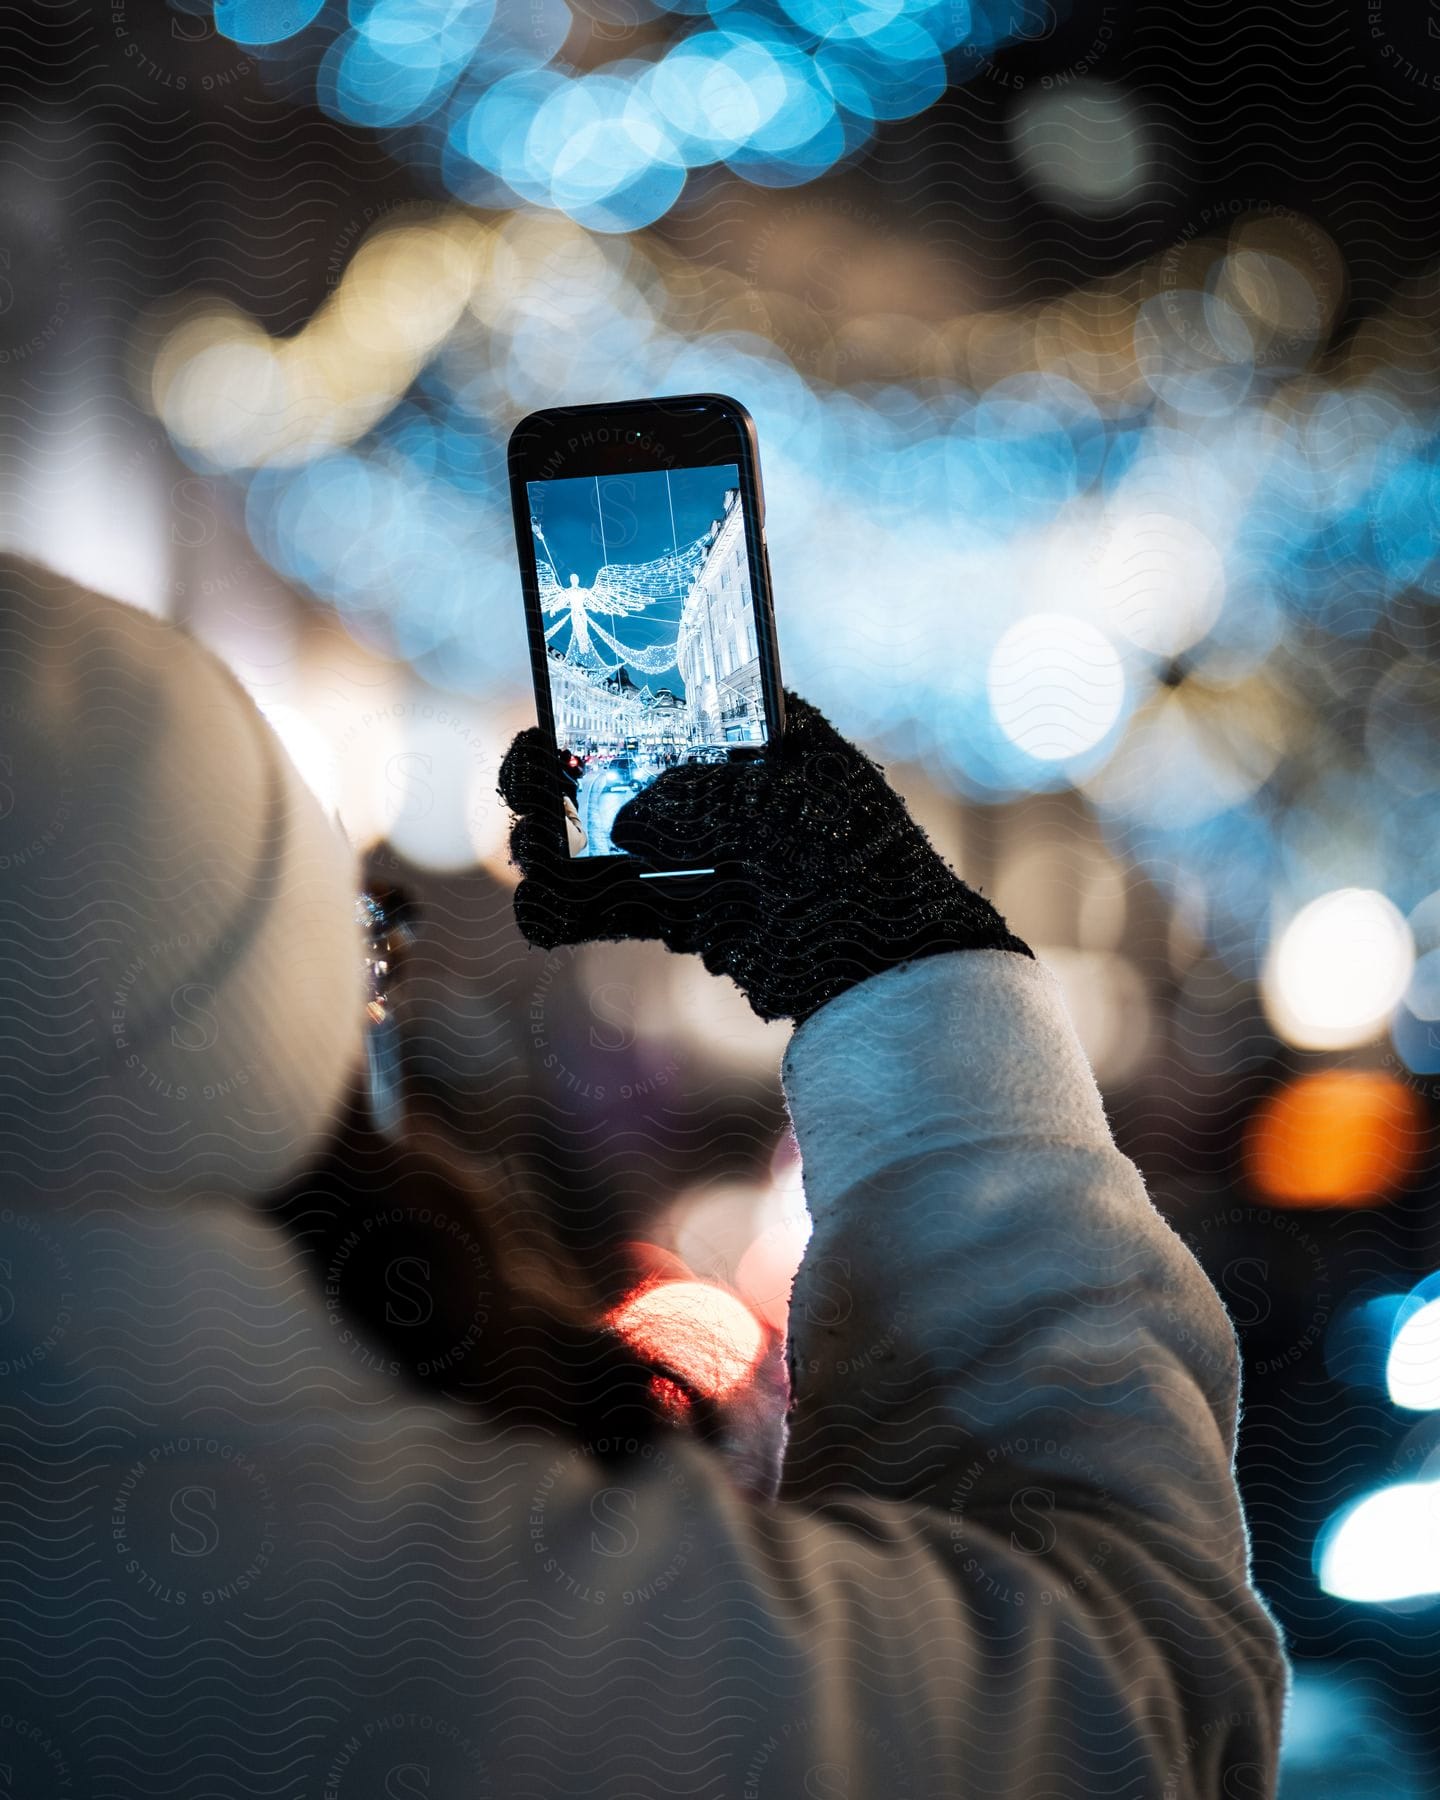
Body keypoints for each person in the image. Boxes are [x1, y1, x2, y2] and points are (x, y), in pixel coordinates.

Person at [0, 552, 1289, 1798]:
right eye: (359, 944)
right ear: (242, 1022)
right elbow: (1136, 1698)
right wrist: (895, 962)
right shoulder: (547, 1637)